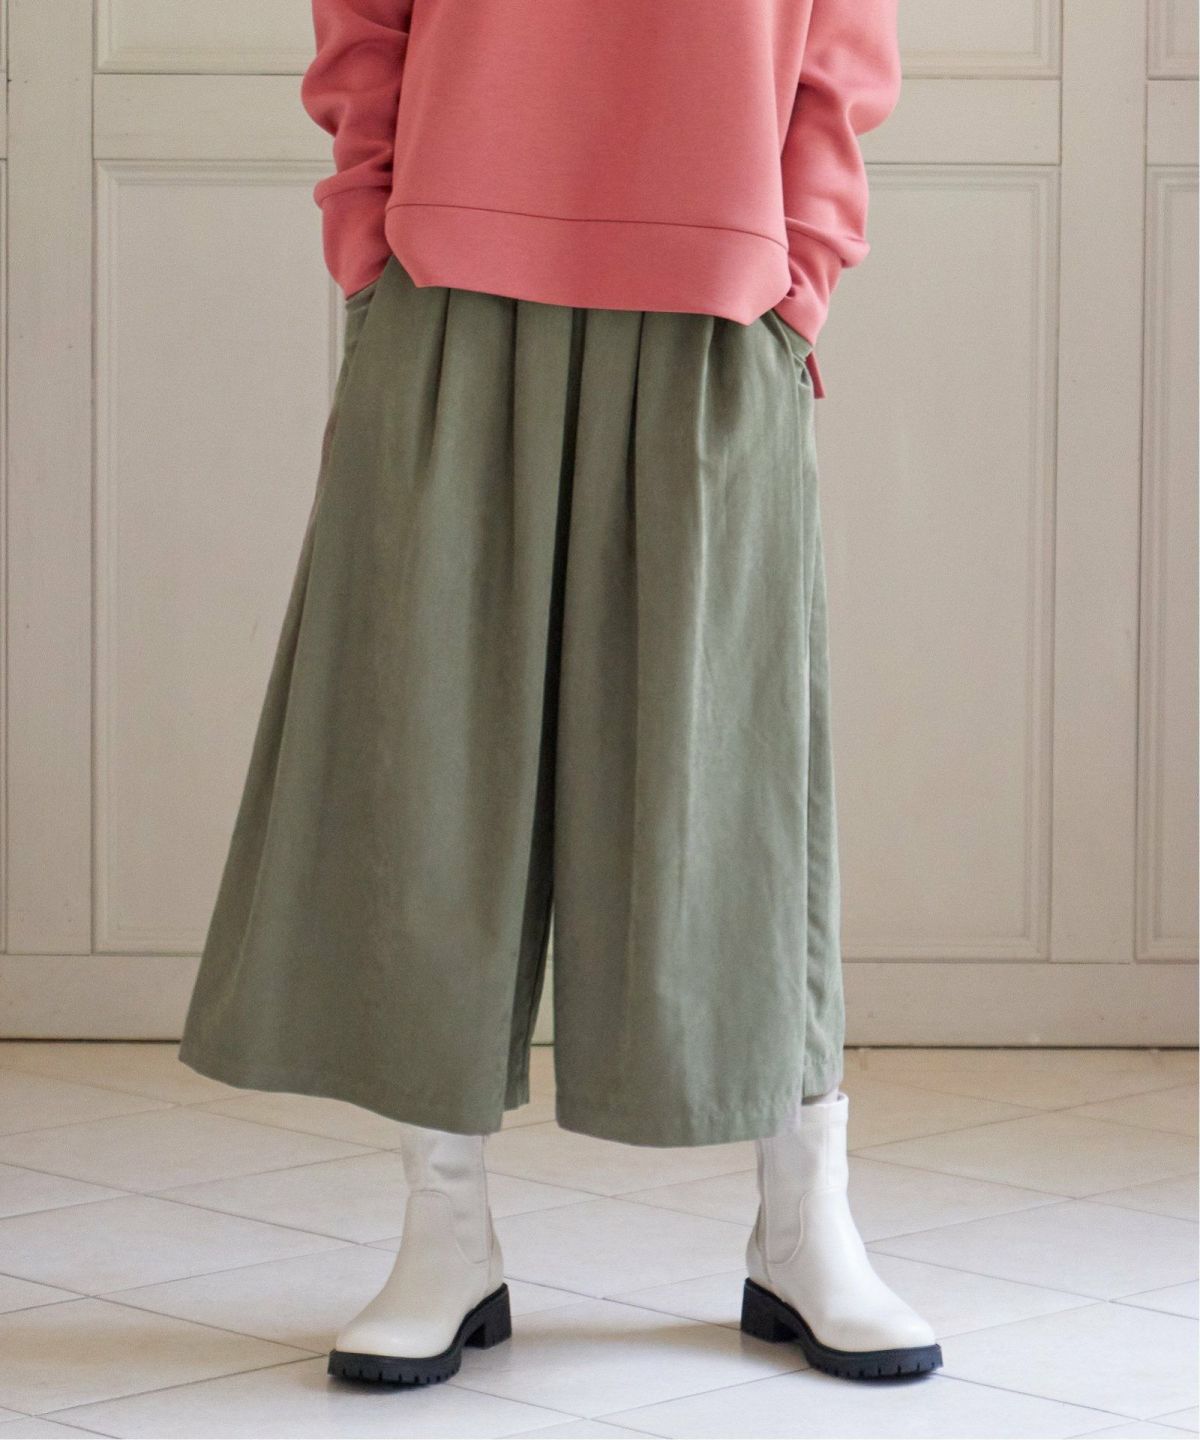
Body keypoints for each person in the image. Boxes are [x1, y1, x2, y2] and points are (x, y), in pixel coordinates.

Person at [178, 0, 942, 1387]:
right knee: (431, 767)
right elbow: (365, 22)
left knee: (739, 785)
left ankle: (804, 1220)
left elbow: (839, 44)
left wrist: (801, 269)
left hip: (723, 290)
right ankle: (444, 1233)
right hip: (450, 280)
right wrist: (373, 245)